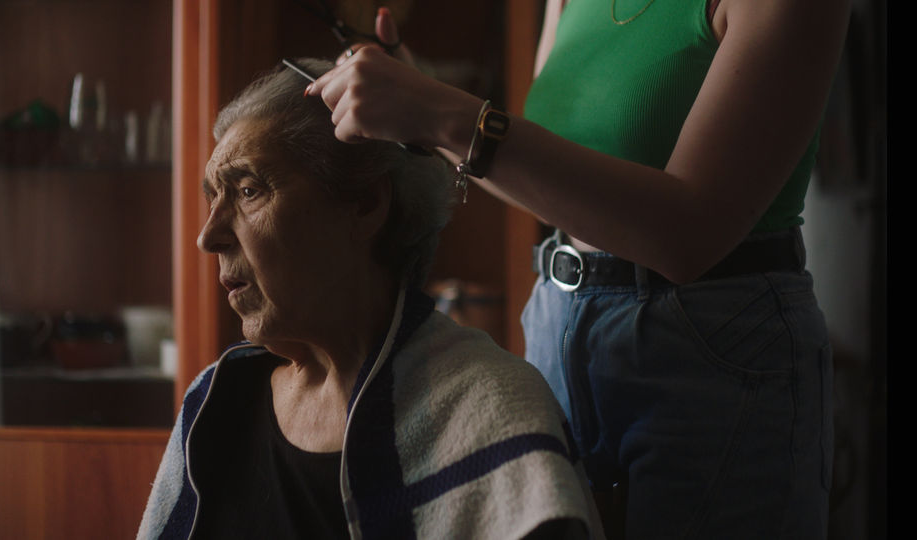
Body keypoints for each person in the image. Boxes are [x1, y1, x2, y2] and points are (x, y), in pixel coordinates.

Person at [305, 1, 850, 538]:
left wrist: (441, 114)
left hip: (714, 353)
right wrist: (420, 109)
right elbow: (552, 189)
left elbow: (689, 236)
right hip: (557, 325)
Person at [136, 58, 603, 540]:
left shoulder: (489, 406)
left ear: (365, 204)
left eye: (249, 190)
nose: (207, 237)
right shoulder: (215, 404)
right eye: (212, 198)